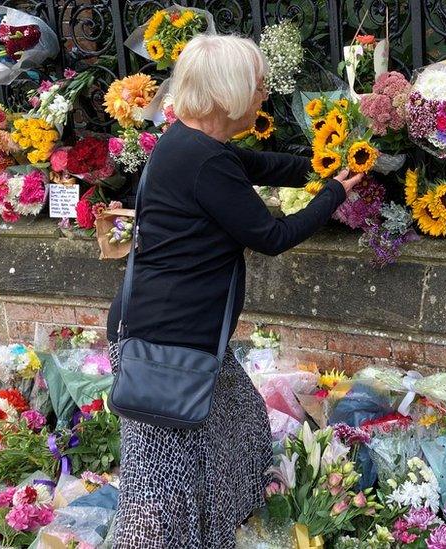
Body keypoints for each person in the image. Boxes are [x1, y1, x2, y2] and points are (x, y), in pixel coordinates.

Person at [104, 34, 362, 547]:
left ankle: (215, 533)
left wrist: (322, 163)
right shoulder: (204, 161)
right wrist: (334, 192)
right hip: (167, 348)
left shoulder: (193, 145)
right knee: (160, 488)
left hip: (181, 337)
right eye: (258, 86)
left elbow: (259, 166)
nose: (264, 95)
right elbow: (272, 236)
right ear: (227, 94)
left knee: (241, 432)